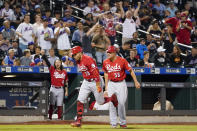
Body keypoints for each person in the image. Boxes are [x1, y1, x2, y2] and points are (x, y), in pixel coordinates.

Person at [70, 46, 118, 127]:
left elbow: (95, 72)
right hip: (86, 82)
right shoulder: (78, 60)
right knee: (80, 100)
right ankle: (78, 121)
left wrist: (98, 85)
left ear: (80, 53)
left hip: (95, 81)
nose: (74, 56)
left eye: (75, 54)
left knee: (100, 102)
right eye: (73, 55)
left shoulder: (88, 59)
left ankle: (112, 99)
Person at [102, 46, 140, 128]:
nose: (108, 54)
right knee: (111, 103)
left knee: (121, 103)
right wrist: (106, 86)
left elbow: (130, 70)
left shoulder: (122, 60)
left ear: (114, 52)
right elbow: (105, 73)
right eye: (107, 52)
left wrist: (136, 81)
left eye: (110, 52)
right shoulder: (105, 62)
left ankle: (122, 122)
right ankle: (113, 123)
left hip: (121, 83)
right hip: (111, 83)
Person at [42, 53, 68, 120]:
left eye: (58, 62)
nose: (57, 64)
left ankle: (59, 118)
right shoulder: (52, 69)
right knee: (52, 104)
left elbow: (66, 82)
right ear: (55, 64)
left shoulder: (64, 72)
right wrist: (44, 57)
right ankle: (49, 117)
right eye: (56, 62)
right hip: (53, 88)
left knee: (60, 104)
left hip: (61, 89)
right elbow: (48, 64)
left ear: (61, 63)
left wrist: (66, 91)